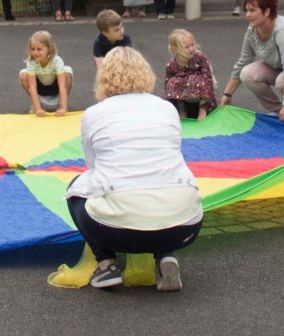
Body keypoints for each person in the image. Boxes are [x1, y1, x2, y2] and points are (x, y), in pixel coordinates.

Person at [65, 47, 203, 291]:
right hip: (185, 225)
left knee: (75, 189)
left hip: (115, 231)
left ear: (103, 77)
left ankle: (106, 264)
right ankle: (165, 255)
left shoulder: (94, 114)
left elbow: (93, 167)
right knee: (160, 188)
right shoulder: (166, 108)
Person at [164, 29, 217, 120]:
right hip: (184, 95)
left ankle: (202, 110)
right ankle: (180, 111)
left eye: (192, 45)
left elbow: (208, 78)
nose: (192, 48)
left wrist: (207, 99)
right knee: (171, 83)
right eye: (187, 47)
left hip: (201, 93)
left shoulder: (200, 57)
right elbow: (167, 84)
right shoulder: (172, 64)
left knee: (198, 80)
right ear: (175, 49)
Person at [20, 30, 72, 116]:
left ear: (49, 49)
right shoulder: (31, 62)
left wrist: (63, 107)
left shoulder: (57, 61)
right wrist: (38, 109)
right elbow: (32, 87)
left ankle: (61, 103)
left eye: (39, 49)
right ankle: (37, 104)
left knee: (67, 73)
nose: (35, 53)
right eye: (33, 49)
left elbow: (62, 86)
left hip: (55, 87)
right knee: (24, 75)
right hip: (41, 88)